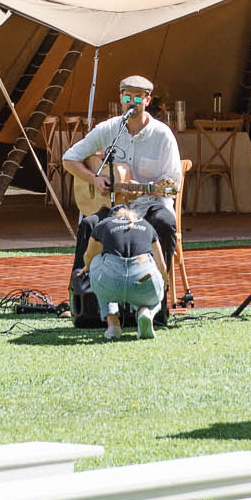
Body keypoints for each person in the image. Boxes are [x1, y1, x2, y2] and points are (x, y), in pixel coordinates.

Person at [62, 74, 181, 323]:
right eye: (127, 96)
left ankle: (157, 303)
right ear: (120, 98)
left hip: (151, 203)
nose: (132, 102)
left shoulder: (162, 135)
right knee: (89, 224)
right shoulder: (109, 129)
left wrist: (146, 189)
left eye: (138, 97)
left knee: (165, 223)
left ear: (147, 100)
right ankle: (85, 302)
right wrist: (94, 179)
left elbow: (173, 184)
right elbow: (69, 159)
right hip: (115, 207)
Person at [74, 204, 163, 339]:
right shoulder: (147, 225)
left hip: (110, 285)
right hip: (142, 284)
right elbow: (161, 263)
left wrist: (87, 267)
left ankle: (113, 324)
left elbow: (89, 256)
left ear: (112, 217)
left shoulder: (103, 224)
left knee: (96, 260)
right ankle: (145, 312)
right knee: (156, 280)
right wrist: (163, 285)